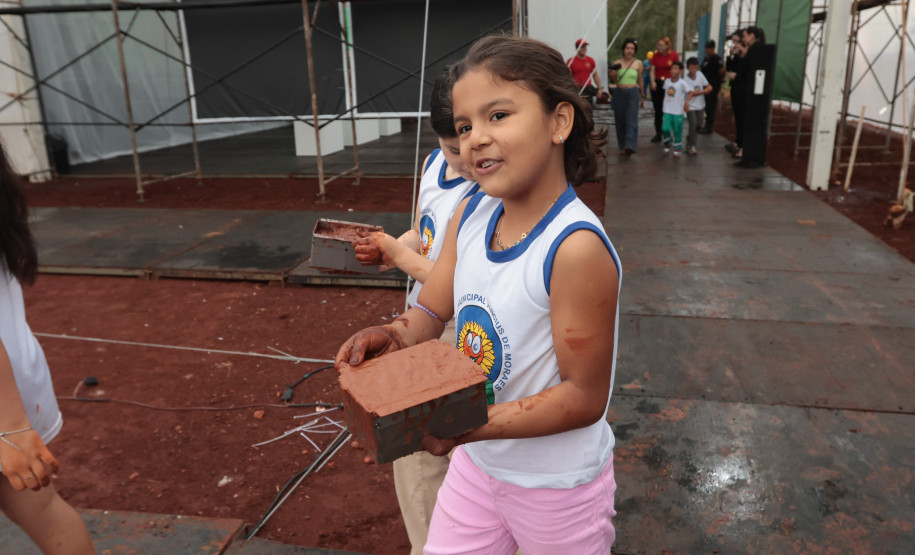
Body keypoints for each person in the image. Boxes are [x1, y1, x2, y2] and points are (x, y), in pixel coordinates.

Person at [337, 35, 621, 554]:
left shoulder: (574, 248)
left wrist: (464, 426)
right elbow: (432, 305)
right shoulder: (472, 214)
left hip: (555, 488)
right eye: (465, 126)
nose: (475, 139)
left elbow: (583, 397)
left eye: (498, 115)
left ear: (560, 122)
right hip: (477, 467)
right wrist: (393, 335)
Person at [352, 68, 478, 555]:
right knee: (423, 458)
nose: (466, 158)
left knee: (426, 455)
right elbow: (423, 234)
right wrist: (388, 248)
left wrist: (404, 258)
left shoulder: (486, 185)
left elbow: (464, 282)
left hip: (457, 330)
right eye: (453, 146)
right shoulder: (434, 166)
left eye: (469, 139)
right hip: (422, 320)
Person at [0, 142, 96, 555]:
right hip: (15, 380)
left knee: (43, 509)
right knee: (44, 509)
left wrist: (12, 426)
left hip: (5, 399)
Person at [735, 26, 770, 168]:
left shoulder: (756, 50)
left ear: (752, 36)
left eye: (745, 36)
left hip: (754, 94)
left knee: (751, 124)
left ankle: (751, 156)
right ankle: (748, 153)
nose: (744, 39)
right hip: (752, 92)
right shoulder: (754, 50)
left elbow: (750, 69)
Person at [609, 38, 643, 155]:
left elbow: (640, 80)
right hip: (619, 91)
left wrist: (642, 95)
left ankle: (630, 144)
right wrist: (612, 75)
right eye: (627, 48)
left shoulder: (638, 63)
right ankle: (622, 146)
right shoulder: (617, 62)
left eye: (632, 49)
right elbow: (613, 80)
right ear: (623, 49)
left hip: (633, 92)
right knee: (620, 120)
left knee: (631, 119)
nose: (629, 51)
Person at [661, 61, 697, 158]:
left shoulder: (682, 83)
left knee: (677, 130)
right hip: (667, 110)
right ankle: (667, 142)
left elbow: (691, 92)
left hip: (678, 112)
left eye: (676, 68)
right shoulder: (667, 81)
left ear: (680, 71)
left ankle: (677, 148)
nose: (673, 70)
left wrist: (686, 102)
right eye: (672, 68)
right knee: (665, 128)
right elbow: (666, 94)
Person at [649, 37, 680, 143]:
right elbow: (652, 69)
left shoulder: (674, 55)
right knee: (658, 109)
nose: (659, 47)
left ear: (667, 46)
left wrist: (675, 82)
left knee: (669, 109)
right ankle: (658, 133)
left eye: (661, 45)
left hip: (670, 84)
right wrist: (652, 81)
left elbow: (677, 69)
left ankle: (668, 132)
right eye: (658, 45)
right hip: (658, 83)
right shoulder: (655, 56)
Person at [682, 57, 712, 155]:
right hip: (690, 106)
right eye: (692, 68)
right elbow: (692, 93)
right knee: (693, 124)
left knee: (699, 125)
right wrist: (704, 91)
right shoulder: (685, 80)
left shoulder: (700, 75)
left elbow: (708, 85)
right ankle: (692, 146)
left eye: (696, 67)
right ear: (688, 68)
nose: (694, 70)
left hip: (700, 105)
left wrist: (708, 88)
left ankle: (690, 138)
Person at [725, 30, 747, 159]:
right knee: (737, 116)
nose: (735, 44)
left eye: (736, 41)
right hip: (735, 86)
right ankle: (738, 141)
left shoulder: (745, 53)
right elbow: (729, 68)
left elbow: (743, 69)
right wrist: (730, 55)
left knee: (742, 117)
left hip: (742, 87)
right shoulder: (736, 53)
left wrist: (736, 75)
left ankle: (742, 144)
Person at [567, 38, 605, 104]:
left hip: (588, 88)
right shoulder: (571, 61)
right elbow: (567, 77)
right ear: (577, 48)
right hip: (577, 89)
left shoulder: (590, 60)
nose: (584, 48)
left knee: (589, 108)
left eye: (585, 46)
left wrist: (600, 88)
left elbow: (595, 75)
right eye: (582, 46)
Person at [699, 40, 724, 134]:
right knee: (706, 105)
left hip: (713, 85)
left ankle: (709, 126)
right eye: (707, 48)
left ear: (712, 48)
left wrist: (720, 80)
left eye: (709, 48)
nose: (707, 49)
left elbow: (721, 70)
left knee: (710, 106)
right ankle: (705, 123)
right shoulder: (706, 59)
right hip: (705, 86)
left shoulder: (717, 58)